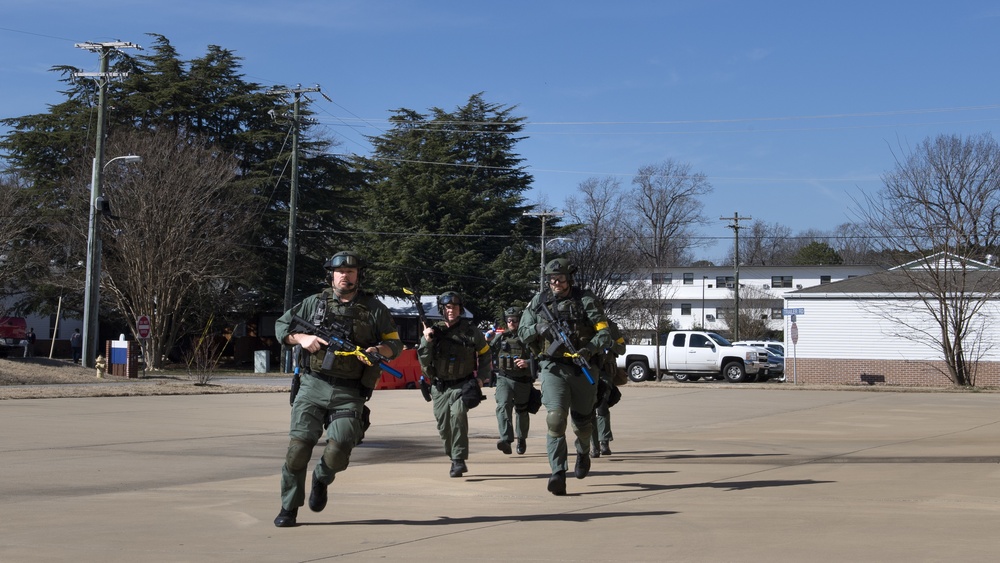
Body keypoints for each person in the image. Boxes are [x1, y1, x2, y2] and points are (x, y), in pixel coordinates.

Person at [271, 251, 402, 528]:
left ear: (358, 275)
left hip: (350, 391)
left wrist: (377, 350)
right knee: (298, 449)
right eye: (340, 271)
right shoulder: (314, 304)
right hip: (312, 384)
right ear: (331, 274)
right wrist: (302, 338)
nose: (345, 276)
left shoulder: (374, 308)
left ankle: (322, 477)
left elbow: (395, 344)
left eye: (351, 271)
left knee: (340, 446)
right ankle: (289, 507)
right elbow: (282, 326)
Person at [518, 258, 612, 496]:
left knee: (582, 424)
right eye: (551, 279)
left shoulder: (586, 300)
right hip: (553, 367)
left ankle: (582, 451)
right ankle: (558, 472)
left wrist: (588, 350)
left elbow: (604, 334)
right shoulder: (538, 302)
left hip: (582, 368)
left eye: (560, 278)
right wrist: (538, 329)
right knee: (556, 419)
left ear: (569, 279)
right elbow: (522, 332)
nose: (556, 283)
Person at [417, 291, 491, 478]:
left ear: (460, 309)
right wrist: (427, 341)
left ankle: (458, 459)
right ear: (442, 309)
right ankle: (453, 456)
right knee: (443, 425)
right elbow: (424, 362)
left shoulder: (471, 331)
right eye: (448, 307)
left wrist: (481, 378)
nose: (452, 311)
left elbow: (485, 354)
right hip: (440, 386)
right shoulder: (433, 332)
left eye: (455, 307)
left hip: (462, 384)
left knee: (458, 416)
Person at [489, 306, 535, 455]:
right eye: (509, 320)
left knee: (521, 411)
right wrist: (486, 339)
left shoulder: (528, 338)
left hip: (523, 380)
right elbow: (486, 350)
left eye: (515, 320)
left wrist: (528, 362)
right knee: (503, 405)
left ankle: (521, 438)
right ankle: (506, 439)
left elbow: (540, 356)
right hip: (504, 378)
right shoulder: (501, 337)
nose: (512, 323)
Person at [591, 318, 626, 458]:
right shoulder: (584, 323)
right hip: (588, 370)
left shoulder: (611, 326)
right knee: (588, 408)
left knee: (602, 405)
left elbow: (622, 349)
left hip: (605, 372)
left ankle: (604, 441)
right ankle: (593, 446)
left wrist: (610, 343)